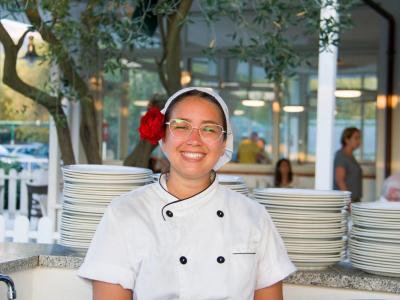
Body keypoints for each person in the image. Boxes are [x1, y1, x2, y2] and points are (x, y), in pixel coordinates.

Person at [78, 87, 296, 300]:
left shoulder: (254, 217)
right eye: (181, 126)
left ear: (224, 143)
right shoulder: (124, 214)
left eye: (209, 129)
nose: (194, 139)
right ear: (163, 136)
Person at [333, 127, 362, 203]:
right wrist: (348, 201)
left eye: (359, 138)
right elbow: (340, 180)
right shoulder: (341, 155)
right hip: (346, 202)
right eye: (356, 138)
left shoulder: (351, 156)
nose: (359, 141)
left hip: (355, 200)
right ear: (347, 139)